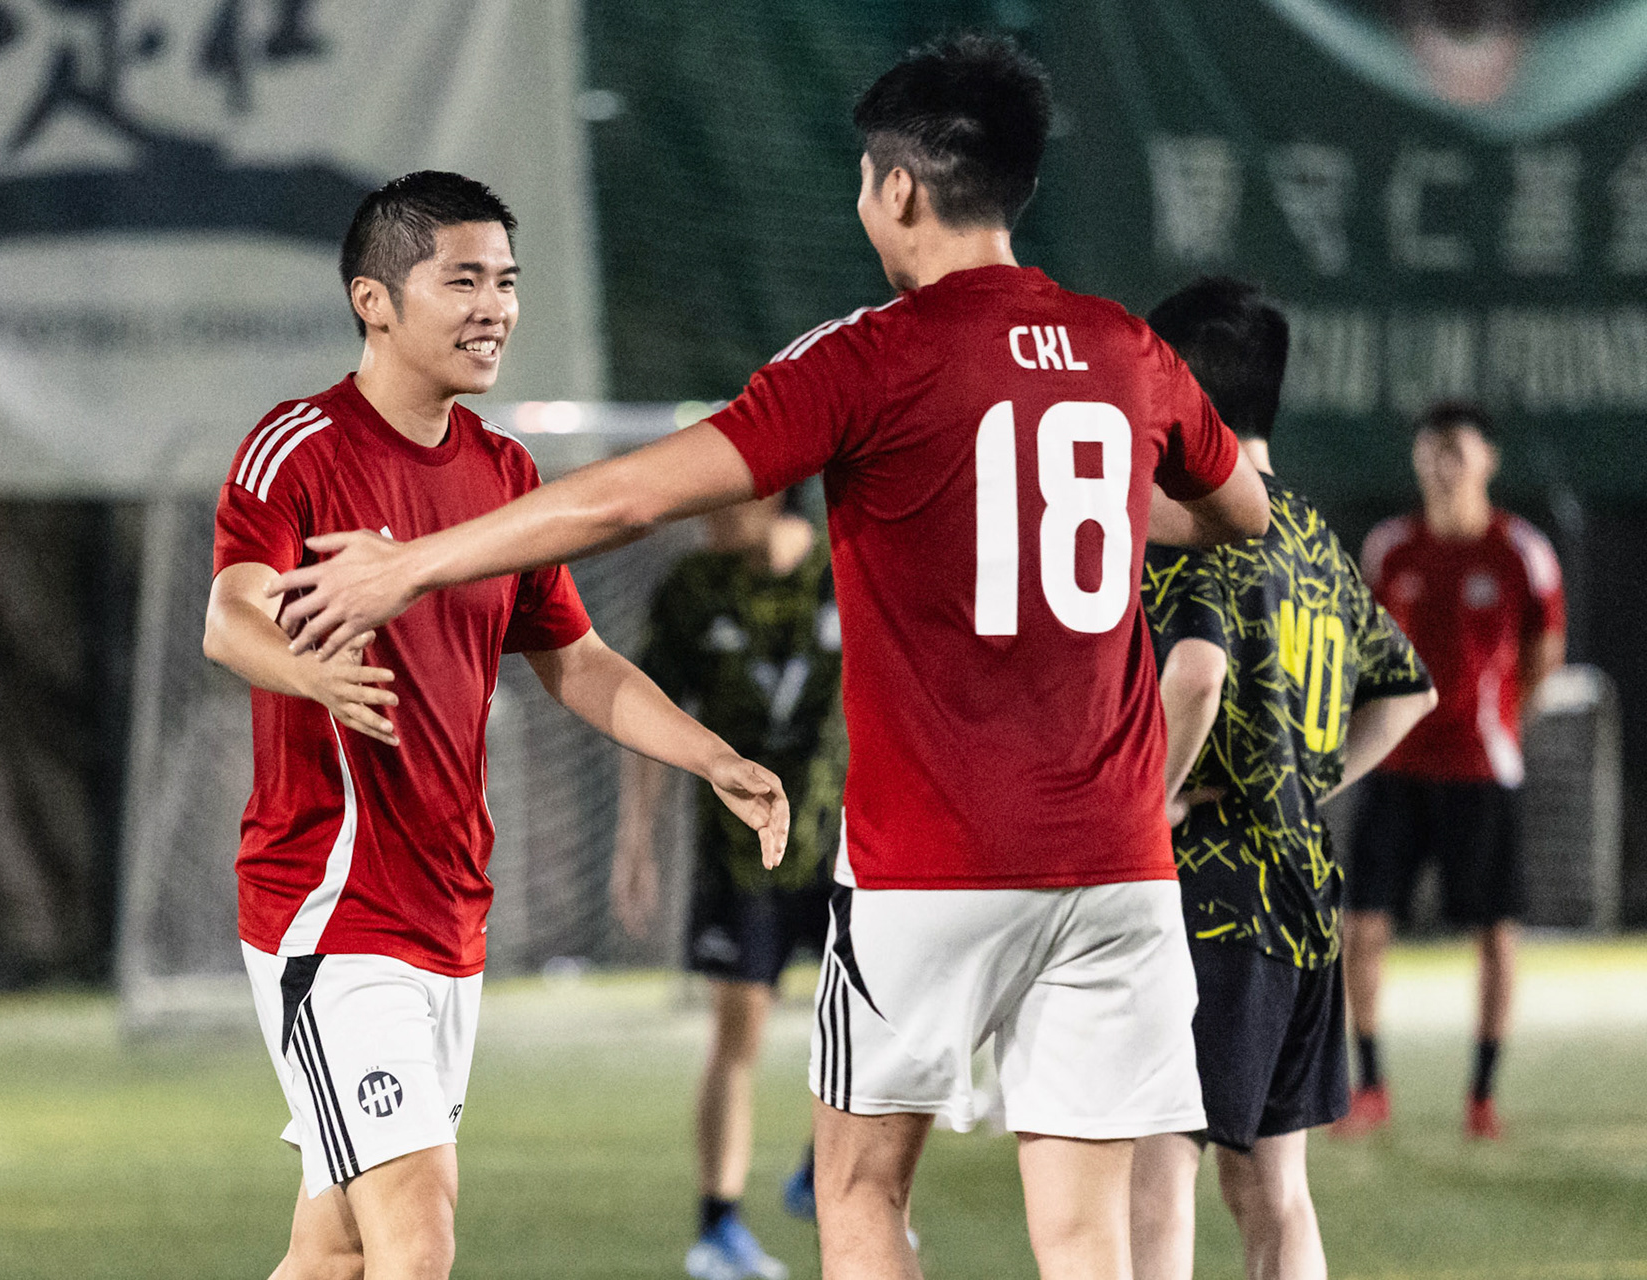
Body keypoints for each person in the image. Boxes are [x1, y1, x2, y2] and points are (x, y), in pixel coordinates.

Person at [266, 36, 1272, 1280]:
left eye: (864, 180)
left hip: (933, 865)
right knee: (1084, 1231)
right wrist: (1120, 496)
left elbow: (630, 499)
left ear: (898, 190)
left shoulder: (871, 355)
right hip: (1119, 861)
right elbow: (1241, 511)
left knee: (856, 1192)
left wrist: (413, 561)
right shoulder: (1126, 350)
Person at [201, 170, 789, 1280]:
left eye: (508, 282)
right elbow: (230, 615)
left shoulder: (503, 472)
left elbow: (578, 661)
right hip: (331, 911)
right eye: (462, 279)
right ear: (374, 300)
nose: (496, 307)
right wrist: (309, 674)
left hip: (448, 909)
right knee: (418, 1238)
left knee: (330, 1247)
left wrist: (711, 754)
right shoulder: (299, 448)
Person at [1129, 278, 1437, 1280]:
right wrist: (1303, 782)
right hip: (1305, 899)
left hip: (1207, 900)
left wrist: (1153, 801)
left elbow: (1196, 674)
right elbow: (1406, 692)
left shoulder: (1199, 526)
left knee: (1156, 1164)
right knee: (1274, 1190)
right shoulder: (1312, 537)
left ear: (1182, 394)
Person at [613, 490, 844, 1280]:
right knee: (737, 1032)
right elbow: (645, 712)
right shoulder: (692, 589)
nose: (706, 510)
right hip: (740, 853)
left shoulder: (841, 569)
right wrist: (635, 842)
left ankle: (833, 1170)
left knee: (874, 1025)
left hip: (848, 843)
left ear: (775, 488)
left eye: (725, 493)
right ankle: (718, 1228)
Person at [1339, 400, 1567, 1141]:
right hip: (1396, 765)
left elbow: (1544, 652)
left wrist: (1503, 721)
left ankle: (1482, 1093)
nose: (1443, 466)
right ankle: (1369, 1084)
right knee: (1363, 926)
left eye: (1457, 452)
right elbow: (1362, 651)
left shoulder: (1521, 551)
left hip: (1481, 771)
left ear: (1488, 461)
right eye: (1431, 452)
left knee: (1496, 931)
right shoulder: (1390, 549)